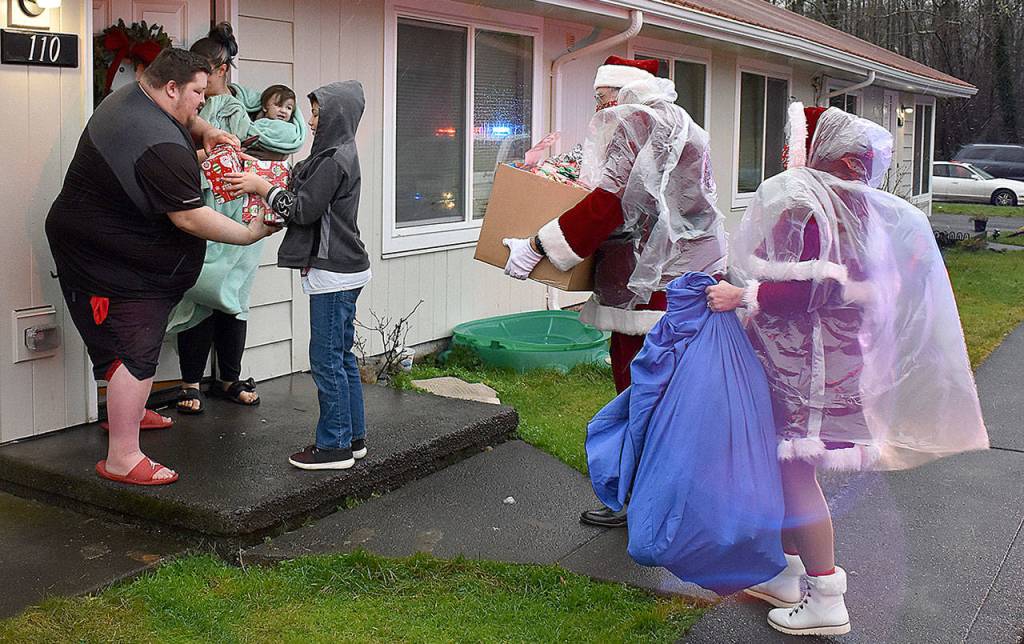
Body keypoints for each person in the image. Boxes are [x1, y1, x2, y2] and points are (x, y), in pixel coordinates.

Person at [706, 104, 988, 636]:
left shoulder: (814, 209)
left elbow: (811, 288)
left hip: (811, 366)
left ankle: (825, 597)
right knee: (789, 466)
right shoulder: (860, 211)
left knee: (794, 471)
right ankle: (792, 577)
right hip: (826, 361)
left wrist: (742, 294)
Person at [502, 56, 727, 528]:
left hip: (649, 287)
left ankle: (638, 500)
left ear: (623, 92)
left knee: (638, 390)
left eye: (602, 95)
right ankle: (673, 497)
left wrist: (537, 244)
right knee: (670, 393)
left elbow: (609, 204)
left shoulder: (637, 121)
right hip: (684, 277)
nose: (598, 105)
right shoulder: (674, 120)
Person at [45, 48, 278, 486]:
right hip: (111, 262)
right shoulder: (158, 143)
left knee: (114, 348)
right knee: (137, 351)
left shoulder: (130, 98)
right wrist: (248, 234)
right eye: (198, 95)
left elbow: (186, 124)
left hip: (90, 243)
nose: (202, 105)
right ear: (171, 88)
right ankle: (123, 457)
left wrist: (205, 131)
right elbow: (190, 217)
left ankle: (125, 418)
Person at [225, 81, 370, 471]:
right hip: (346, 267)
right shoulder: (337, 154)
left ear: (335, 116)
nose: (310, 119)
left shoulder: (332, 160)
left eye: (317, 113)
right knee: (342, 357)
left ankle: (334, 446)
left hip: (333, 270)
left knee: (325, 360)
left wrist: (261, 187)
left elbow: (302, 210)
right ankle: (353, 438)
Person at [169, 24, 307, 414]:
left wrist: (272, 122)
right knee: (196, 294)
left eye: (203, 76)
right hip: (198, 206)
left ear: (221, 70)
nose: (196, 85)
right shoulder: (184, 108)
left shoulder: (244, 106)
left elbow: (285, 139)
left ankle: (228, 377)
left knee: (235, 297)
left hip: (242, 209)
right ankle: (189, 382)